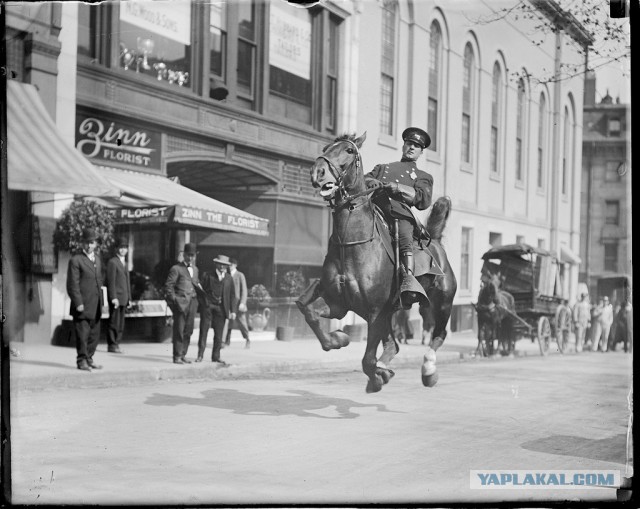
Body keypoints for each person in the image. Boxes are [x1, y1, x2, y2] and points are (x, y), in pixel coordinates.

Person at [365, 127, 433, 308]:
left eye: (417, 146)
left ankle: (409, 282)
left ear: (421, 152)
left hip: (399, 214)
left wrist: (398, 188)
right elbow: (363, 180)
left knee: (405, 236)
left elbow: (423, 200)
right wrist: (373, 181)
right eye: (409, 143)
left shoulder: (423, 176)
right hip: (375, 209)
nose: (412, 148)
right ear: (403, 145)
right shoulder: (383, 168)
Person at [66, 228, 104, 371]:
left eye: (92, 243)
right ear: (82, 243)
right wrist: (78, 303)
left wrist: (103, 302)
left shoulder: (98, 260)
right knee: (82, 335)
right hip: (82, 305)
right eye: (86, 243)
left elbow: (99, 282)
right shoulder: (76, 260)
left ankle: (89, 358)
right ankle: (81, 360)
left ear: (96, 244)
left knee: (94, 335)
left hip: (96, 305)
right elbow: (72, 284)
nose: (89, 246)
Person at [164, 242, 200, 364]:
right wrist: (175, 300)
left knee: (188, 330)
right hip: (180, 304)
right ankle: (177, 356)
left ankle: (183, 354)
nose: (190, 258)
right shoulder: (176, 269)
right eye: (188, 255)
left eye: (192, 255)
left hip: (192, 304)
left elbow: (195, 284)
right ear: (184, 255)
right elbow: (169, 287)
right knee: (179, 330)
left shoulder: (195, 269)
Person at [198, 255, 237, 365]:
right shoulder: (207, 275)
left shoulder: (229, 278)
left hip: (221, 308)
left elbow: (233, 295)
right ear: (216, 264)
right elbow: (200, 291)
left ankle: (216, 356)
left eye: (224, 265)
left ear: (227, 266)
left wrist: (233, 311)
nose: (222, 266)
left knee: (219, 334)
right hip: (208, 307)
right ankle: (200, 355)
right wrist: (203, 304)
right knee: (204, 330)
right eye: (220, 264)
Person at [106, 237, 131, 354]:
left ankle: (117, 343)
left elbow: (127, 282)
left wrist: (129, 298)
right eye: (121, 247)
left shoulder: (125, 263)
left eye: (125, 248)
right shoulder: (113, 262)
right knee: (114, 322)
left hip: (124, 298)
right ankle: (112, 344)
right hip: (116, 298)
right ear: (116, 248)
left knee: (121, 323)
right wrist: (113, 297)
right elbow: (111, 282)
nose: (123, 250)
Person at [225, 258, 251, 349]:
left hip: (238, 303)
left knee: (242, 322)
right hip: (229, 302)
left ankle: (247, 339)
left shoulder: (240, 275)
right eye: (229, 264)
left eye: (231, 264)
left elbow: (244, 290)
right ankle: (226, 340)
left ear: (235, 265)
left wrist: (243, 303)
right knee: (228, 322)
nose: (230, 266)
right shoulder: (226, 275)